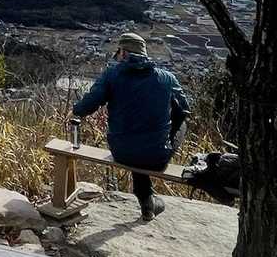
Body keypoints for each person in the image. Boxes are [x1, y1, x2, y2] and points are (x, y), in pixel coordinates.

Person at [71, 32, 189, 221]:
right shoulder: (167, 78)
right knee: (180, 124)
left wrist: (76, 110)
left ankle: (146, 200)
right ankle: (147, 199)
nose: (117, 57)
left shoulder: (112, 75)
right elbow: (184, 110)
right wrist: (168, 135)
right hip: (157, 156)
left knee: (134, 134)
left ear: (124, 53)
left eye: (118, 52)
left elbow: (87, 105)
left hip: (121, 151)